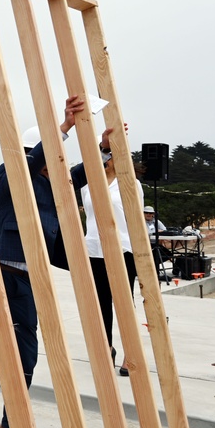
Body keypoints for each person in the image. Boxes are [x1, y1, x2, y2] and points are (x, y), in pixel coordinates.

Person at [0, 96, 91, 428]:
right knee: (26, 349)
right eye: (49, 158)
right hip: (10, 269)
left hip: (31, 271)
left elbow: (77, 176)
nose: (56, 166)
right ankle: (13, 425)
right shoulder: (12, 173)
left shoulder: (50, 181)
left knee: (8, 342)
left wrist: (104, 148)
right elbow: (30, 166)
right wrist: (62, 129)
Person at [72, 144, 138, 376]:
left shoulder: (131, 184)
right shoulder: (88, 184)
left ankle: (132, 352)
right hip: (94, 249)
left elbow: (135, 218)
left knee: (124, 303)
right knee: (101, 303)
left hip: (122, 249)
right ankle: (106, 347)